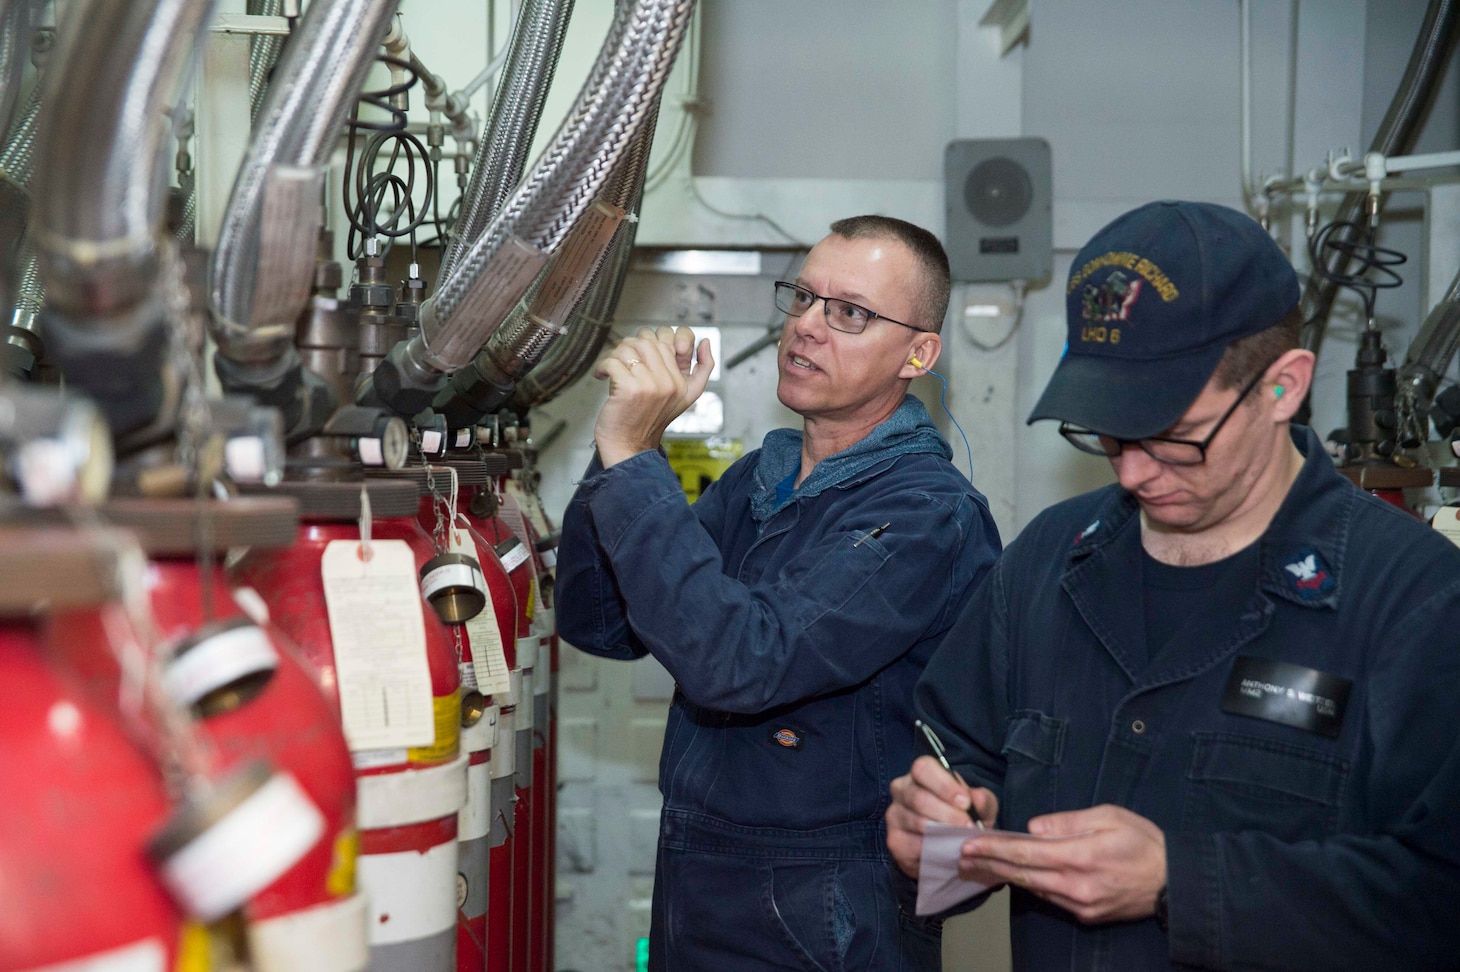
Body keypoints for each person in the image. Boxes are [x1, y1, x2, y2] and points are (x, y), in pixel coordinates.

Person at [885, 199, 1460, 969]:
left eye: (1175, 439)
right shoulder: (1048, 564)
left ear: (1283, 388)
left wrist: (1181, 883)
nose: (1131, 470)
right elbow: (958, 761)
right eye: (1108, 432)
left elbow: (1439, 899)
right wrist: (938, 830)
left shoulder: (1414, 603)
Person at [556, 215, 1001, 969]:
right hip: (697, 877)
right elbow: (600, 623)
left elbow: (743, 660)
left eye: (850, 313)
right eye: (802, 298)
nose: (807, 328)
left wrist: (635, 463)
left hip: (825, 908)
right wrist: (622, 452)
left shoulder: (927, 515)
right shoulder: (760, 479)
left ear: (918, 354)